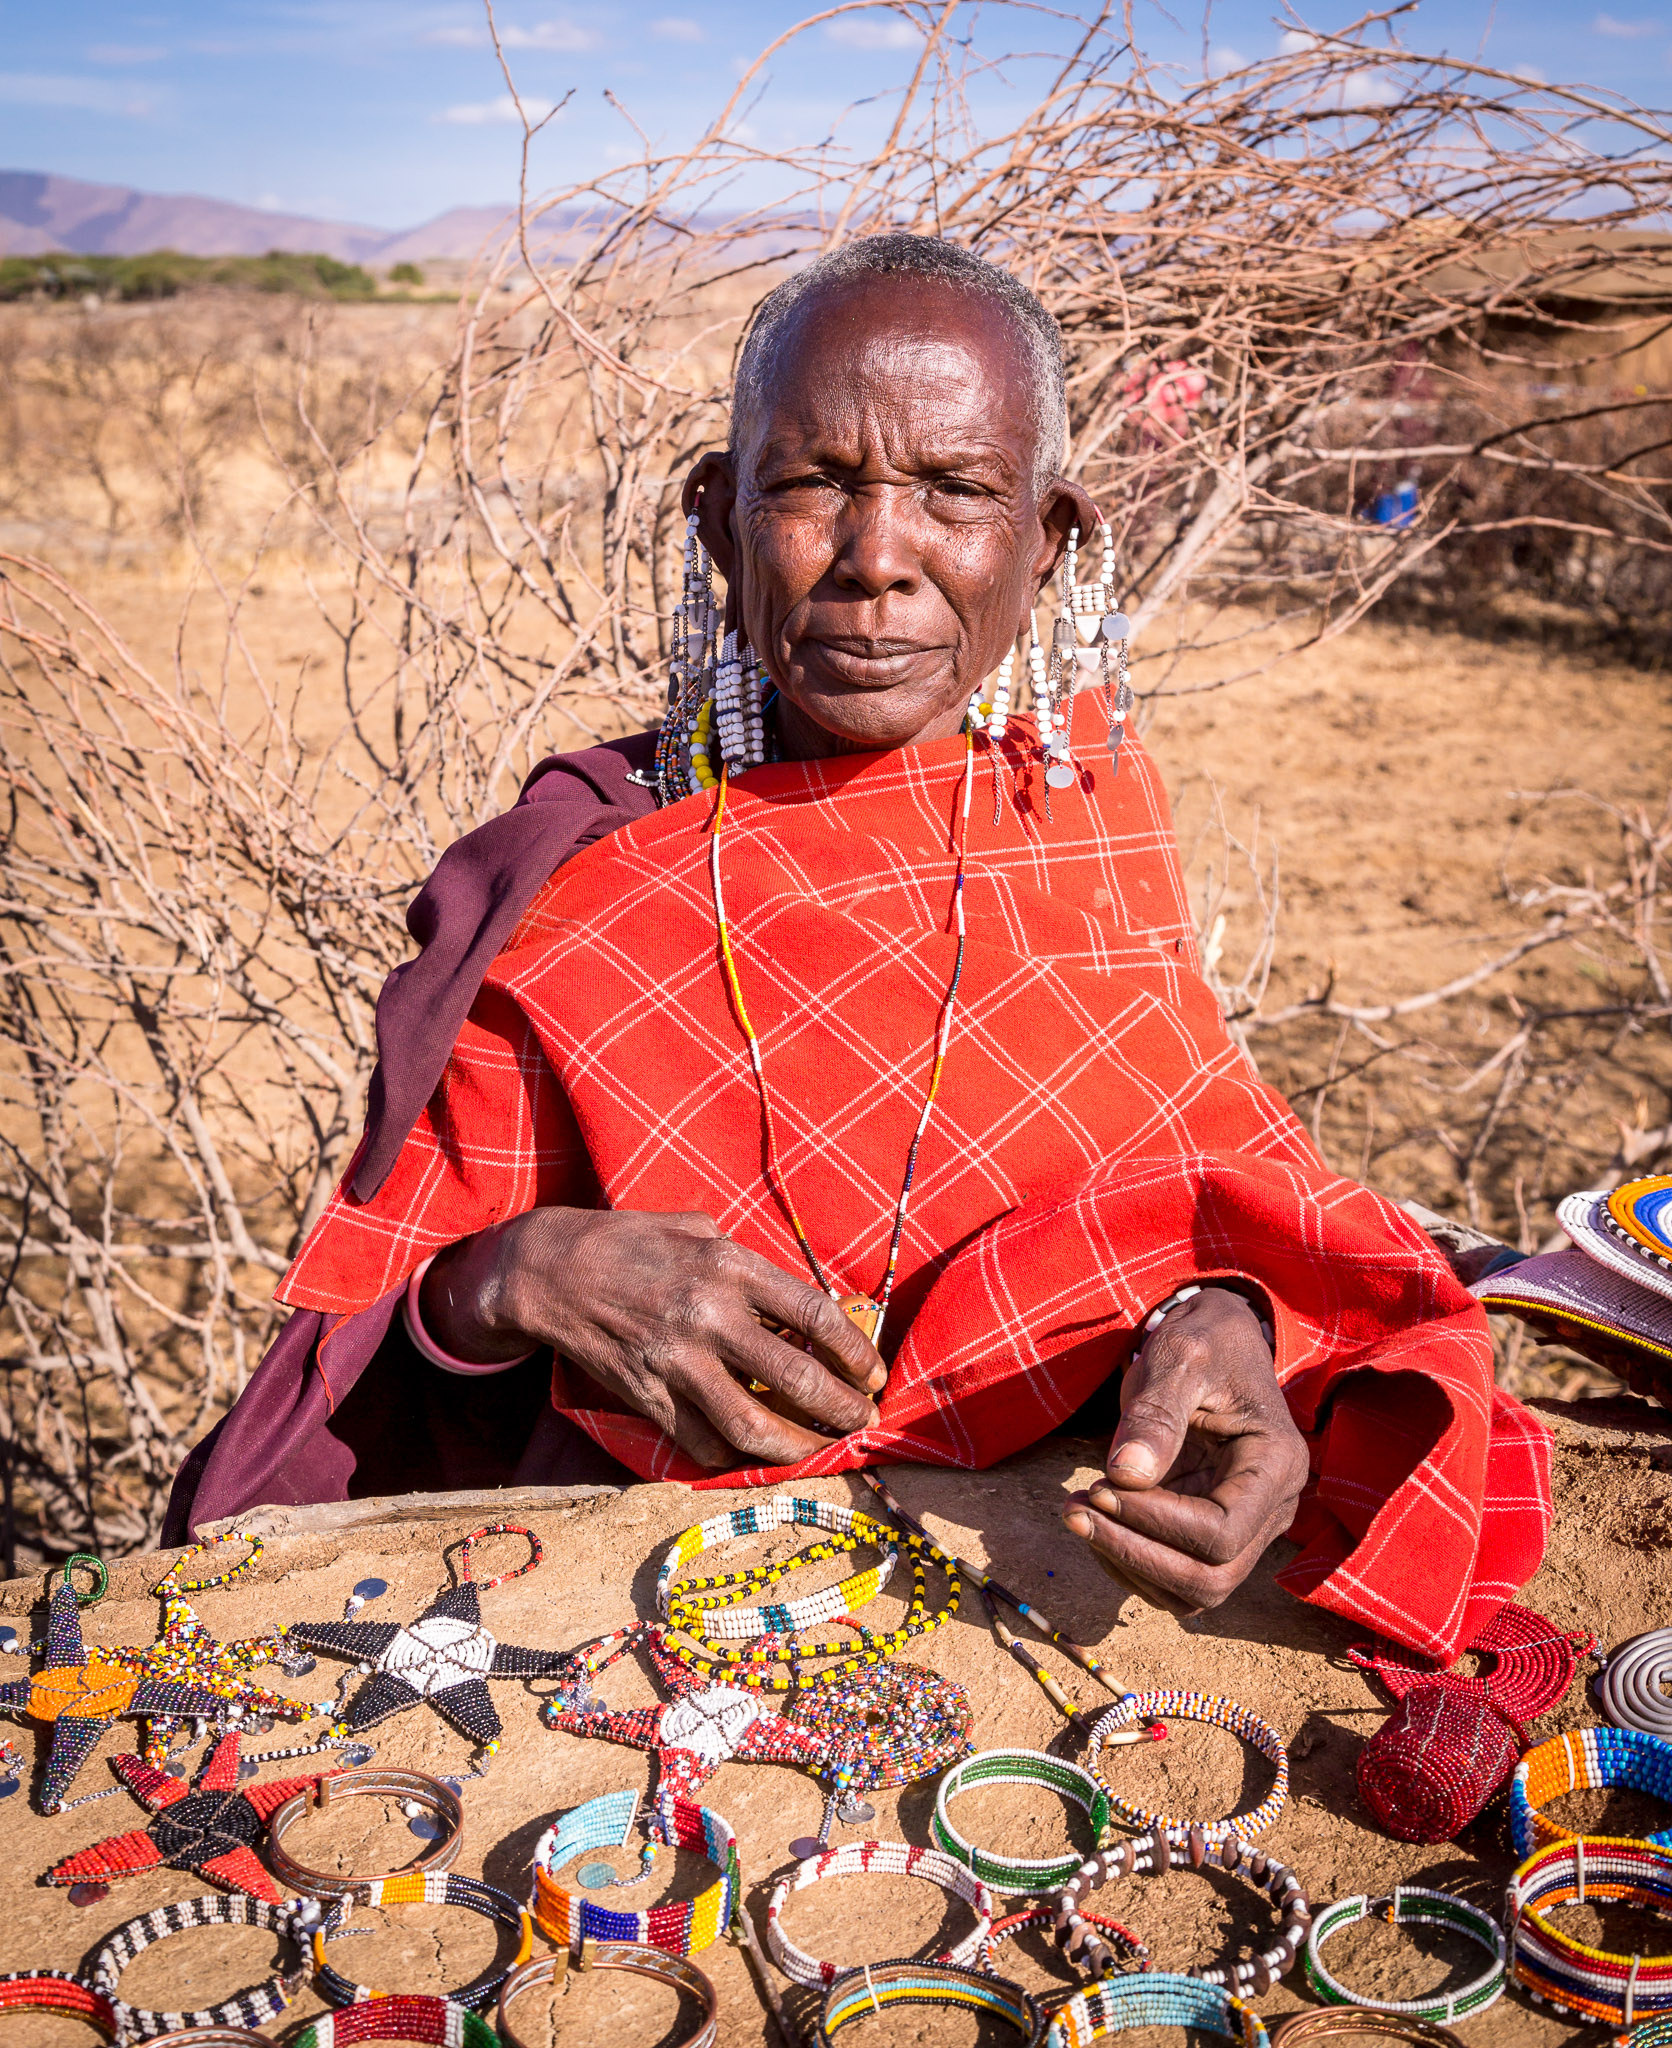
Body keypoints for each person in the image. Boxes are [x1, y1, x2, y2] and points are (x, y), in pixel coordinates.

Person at [166, 236, 1550, 1659]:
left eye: (956, 492)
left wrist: (1224, 1320)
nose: (878, 559)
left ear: (1051, 537)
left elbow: (1201, 1188)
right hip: (623, 1619)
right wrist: (519, 1274)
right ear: (721, 520)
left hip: (1036, 1601)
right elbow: (364, 1364)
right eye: (814, 484)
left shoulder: (1083, 823)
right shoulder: (585, 867)